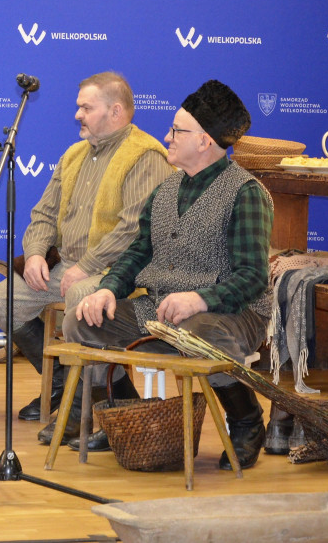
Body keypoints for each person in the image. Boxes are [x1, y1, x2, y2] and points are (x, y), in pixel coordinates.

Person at [74, 80, 273, 470]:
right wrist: (108, 289)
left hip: (233, 315)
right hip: (161, 310)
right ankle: (133, 420)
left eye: (176, 131)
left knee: (200, 328)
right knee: (82, 320)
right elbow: (137, 253)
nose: (166, 136)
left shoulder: (246, 192)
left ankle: (247, 422)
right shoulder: (165, 190)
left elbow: (252, 278)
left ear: (204, 141)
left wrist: (199, 298)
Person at [0, 71, 172, 445]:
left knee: (79, 298)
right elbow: (44, 214)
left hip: (119, 271)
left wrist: (86, 267)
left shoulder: (146, 156)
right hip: (66, 263)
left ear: (115, 111)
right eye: (78, 107)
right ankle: (60, 386)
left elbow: (134, 229)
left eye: (86, 107)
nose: (77, 115)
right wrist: (36, 252)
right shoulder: (73, 155)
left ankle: (82, 407)